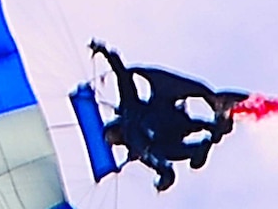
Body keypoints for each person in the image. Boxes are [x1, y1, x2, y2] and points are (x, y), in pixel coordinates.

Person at [89, 41, 248, 191]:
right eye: (110, 141)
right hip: (168, 136)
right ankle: (205, 139)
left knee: (158, 136)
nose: (111, 139)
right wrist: (164, 178)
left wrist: (106, 53)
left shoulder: (128, 109)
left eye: (109, 135)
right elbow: (157, 163)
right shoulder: (137, 149)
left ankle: (217, 119)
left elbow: (123, 79)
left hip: (163, 115)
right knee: (157, 150)